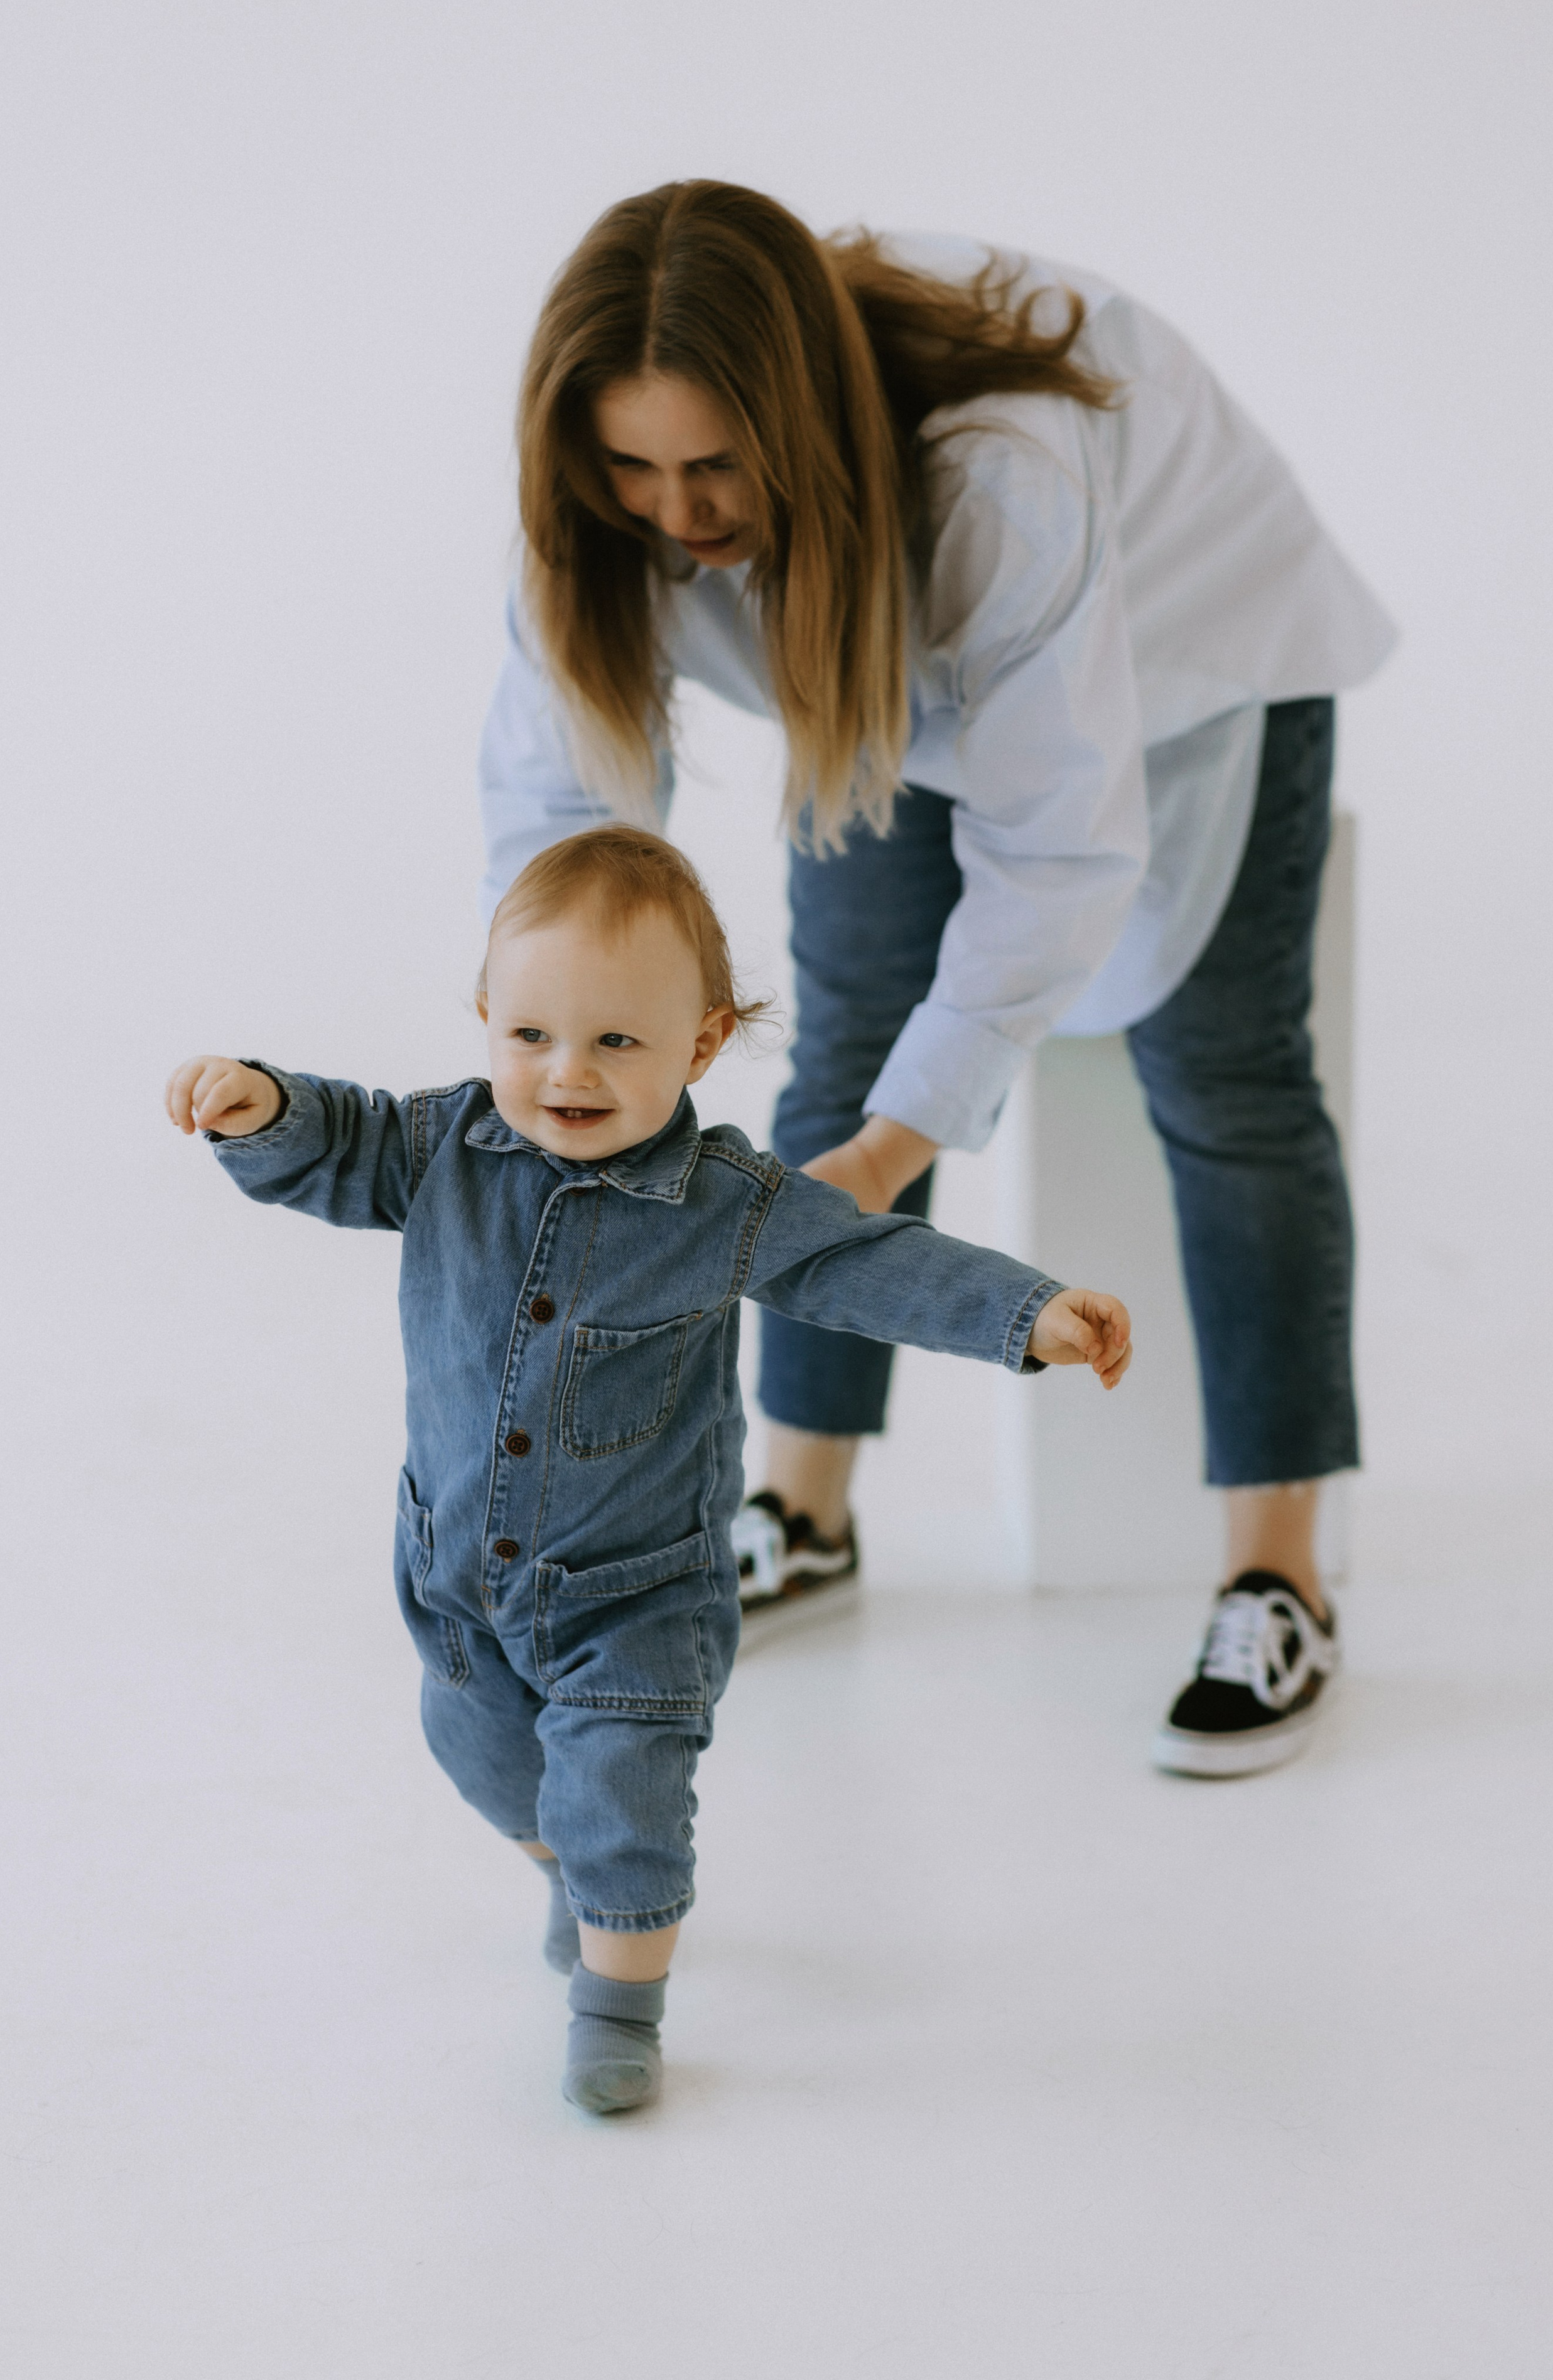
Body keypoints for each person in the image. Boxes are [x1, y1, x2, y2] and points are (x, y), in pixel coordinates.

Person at [475, 180, 1392, 1779]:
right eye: (630, 465)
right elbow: (563, 821)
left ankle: (1277, 1571)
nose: (676, 515)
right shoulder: (599, 524)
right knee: (838, 1048)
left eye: (712, 467)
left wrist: (905, 1148)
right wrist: (551, 1052)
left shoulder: (997, 482)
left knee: (1225, 1078)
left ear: (799, 429)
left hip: (1185, 650)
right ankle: (807, 1510)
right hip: (873, 640)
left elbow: (1057, 848)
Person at [164, 827, 1132, 2113]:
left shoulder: (723, 1203)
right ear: (486, 1020)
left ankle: (617, 2004)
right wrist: (265, 1106)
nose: (566, 1072)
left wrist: (1027, 1313)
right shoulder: (440, 1147)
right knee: (482, 1758)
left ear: (702, 1043)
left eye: (616, 1042)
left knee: (621, 1799)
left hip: (636, 1595)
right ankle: (569, 1872)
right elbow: (336, 1146)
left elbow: (863, 1262)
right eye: (530, 1038)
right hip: (455, 1572)